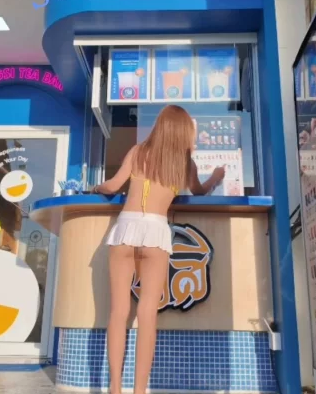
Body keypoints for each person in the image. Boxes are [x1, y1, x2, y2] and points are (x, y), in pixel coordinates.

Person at [92, 106, 225, 394]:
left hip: (125, 229)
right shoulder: (184, 163)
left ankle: (115, 388)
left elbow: (112, 186)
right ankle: (139, 390)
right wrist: (216, 177)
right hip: (155, 232)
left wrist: (96, 187)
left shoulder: (138, 151)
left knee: (118, 311)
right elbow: (199, 191)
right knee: (147, 313)